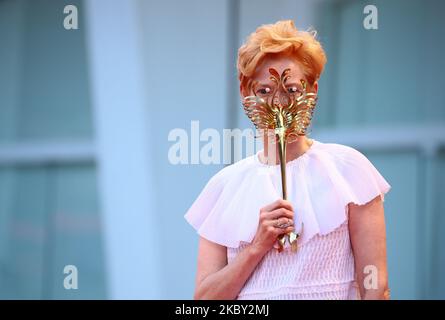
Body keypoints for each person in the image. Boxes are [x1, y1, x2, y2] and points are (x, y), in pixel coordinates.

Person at [184, 20, 391, 300]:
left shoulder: (348, 170)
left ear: (312, 90)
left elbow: (375, 286)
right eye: (265, 91)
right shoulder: (224, 187)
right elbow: (204, 301)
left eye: (291, 89)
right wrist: (257, 246)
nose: (279, 103)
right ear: (245, 92)